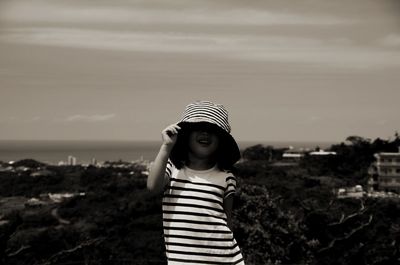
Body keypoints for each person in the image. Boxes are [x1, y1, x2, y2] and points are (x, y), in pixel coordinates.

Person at [147, 101, 245, 265]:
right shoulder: (172, 168)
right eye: (198, 128)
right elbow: (152, 187)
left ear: (221, 140)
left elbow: (227, 222)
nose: (205, 133)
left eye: (213, 130)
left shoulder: (226, 177)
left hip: (224, 259)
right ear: (185, 135)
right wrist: (166, 146)